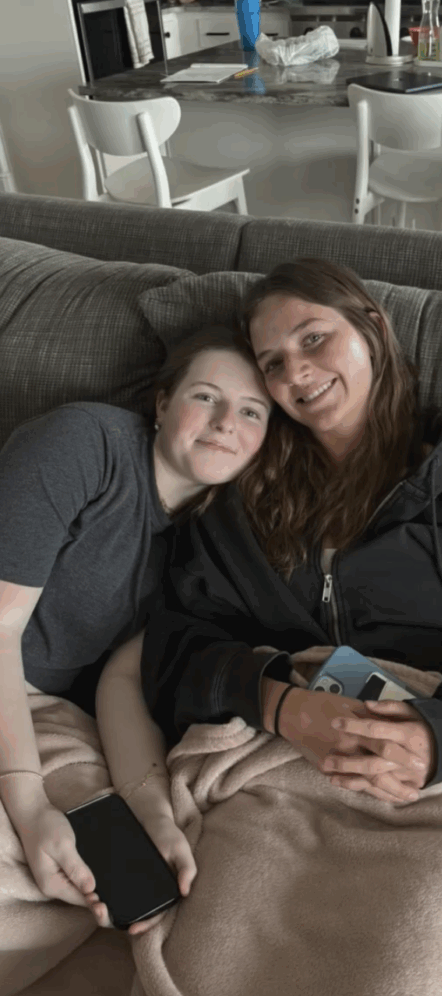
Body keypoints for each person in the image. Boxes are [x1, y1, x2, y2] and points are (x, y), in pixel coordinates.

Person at [93, 256, 442, 931]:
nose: (296, 372)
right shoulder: (242, 494)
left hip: (440, 782)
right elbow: (175, 648)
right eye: (272, 363)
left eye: (313, 338)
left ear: (372, 327)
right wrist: (281, 705)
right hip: (275, 766)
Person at [0, 323, 273, 930]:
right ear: (162, 403)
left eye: (251, 411)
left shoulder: (215, 542)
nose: (226, 422)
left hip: (49, 714)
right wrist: (27, 801)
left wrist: (151, 806)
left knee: (98, 888)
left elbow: (123, 680)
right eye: (206, 396)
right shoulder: (84, 444)